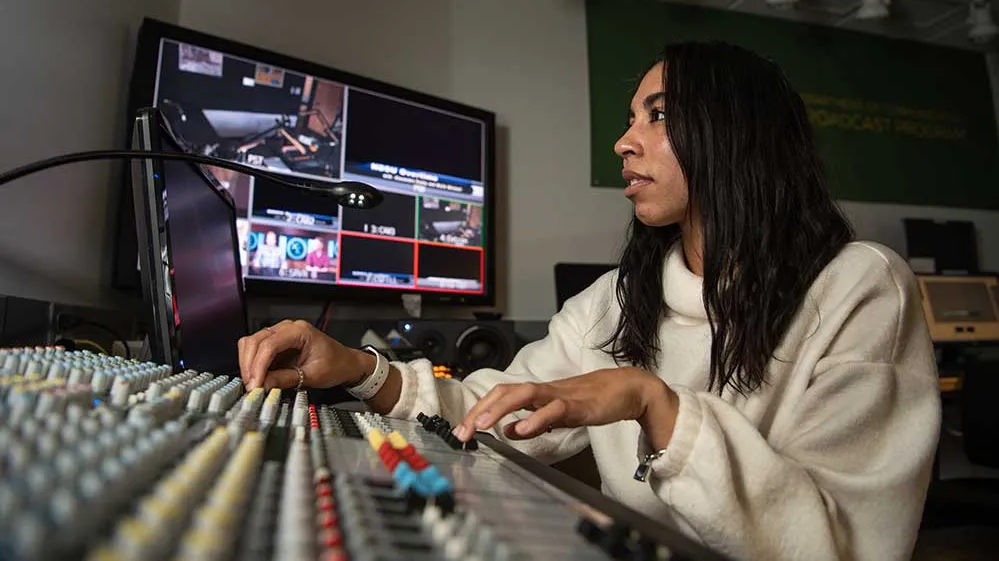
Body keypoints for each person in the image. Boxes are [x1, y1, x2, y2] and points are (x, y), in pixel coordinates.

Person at [238, 42, 941, 561]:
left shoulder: (858, 284)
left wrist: (654, 402)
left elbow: (843, 543)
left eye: (657, 115)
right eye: (630, 116)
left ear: (737, 132)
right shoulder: (616, 299)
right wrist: (358, 368)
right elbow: (497, 403)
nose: (622, 141)